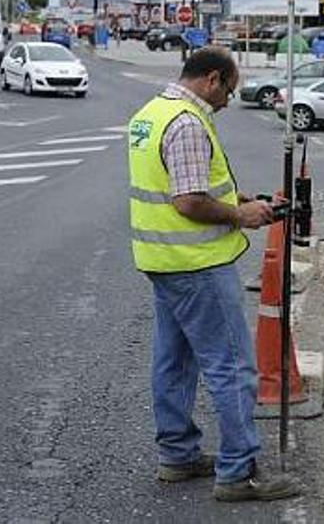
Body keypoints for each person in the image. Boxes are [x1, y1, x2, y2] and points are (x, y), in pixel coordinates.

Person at [127, 47, 301, 503]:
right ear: (212, 79)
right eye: (229, 90)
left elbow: (182, 185)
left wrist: (241, 199)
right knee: (233, 368)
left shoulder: (152, 113)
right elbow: (187, 201)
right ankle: (238, 472)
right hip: (197, 265)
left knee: (174, 361)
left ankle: (178, 456)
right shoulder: (186, 122)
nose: (228, 100)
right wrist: (239, 216)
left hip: (162, 260)